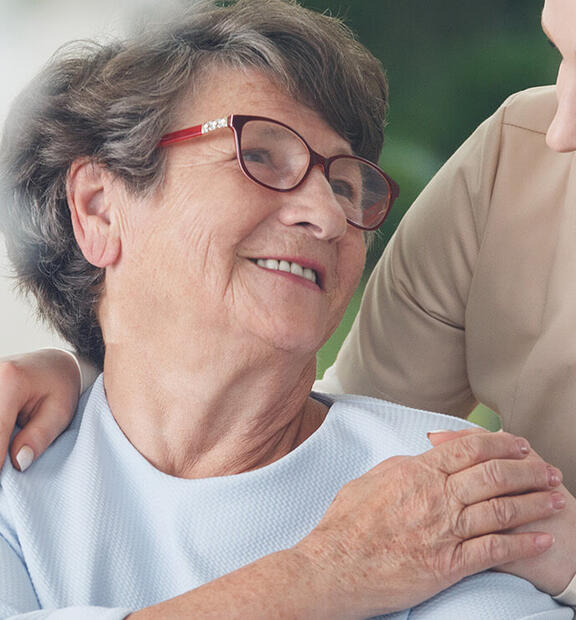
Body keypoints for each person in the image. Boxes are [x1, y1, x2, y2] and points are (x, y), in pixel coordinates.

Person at [0, 0, 573, 618]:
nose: (328, 216)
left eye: (346, 186)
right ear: (99, 209)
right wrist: (325, 573)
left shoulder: (445, 496)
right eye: (262, 156)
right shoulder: (17, 472)